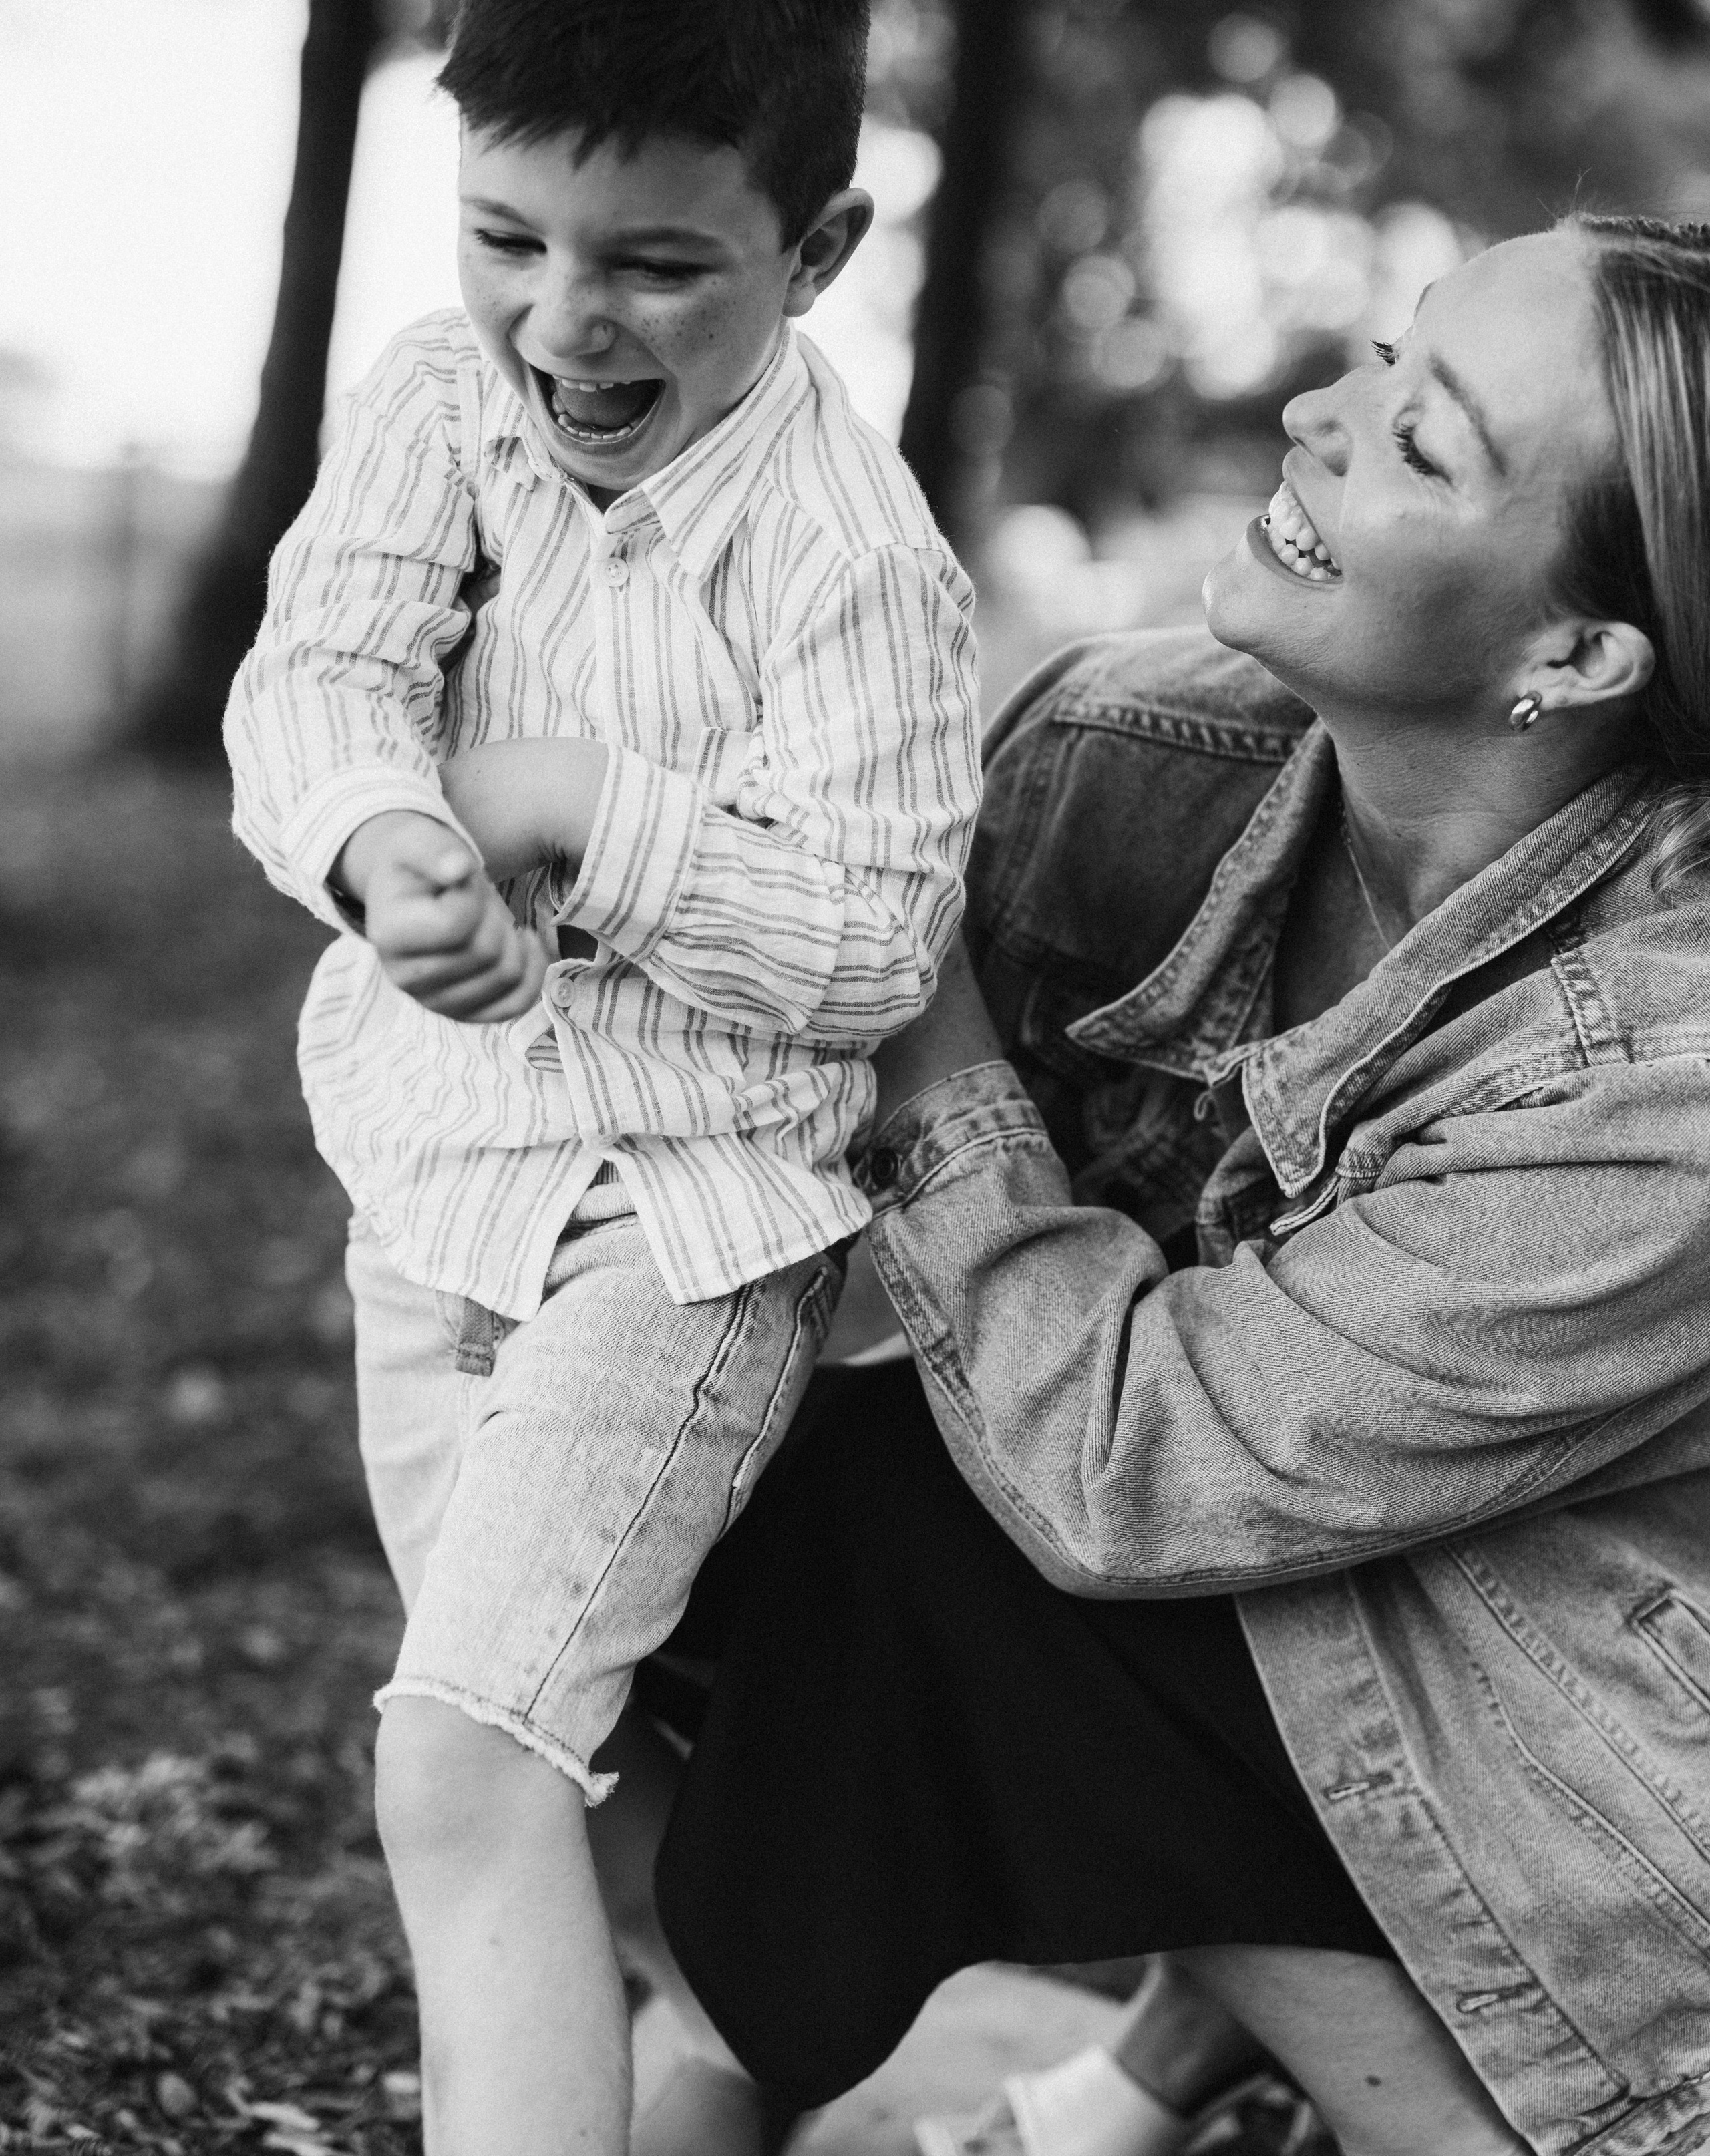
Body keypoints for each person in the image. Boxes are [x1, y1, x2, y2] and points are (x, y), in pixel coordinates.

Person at [603, 217, 1710, 2156]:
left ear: (1582, 653)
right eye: (1383, 353)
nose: (1309, 414)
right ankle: (963, 2067)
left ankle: (1464, 2125)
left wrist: (898, 980)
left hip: (1606, 1770)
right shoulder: (1130, 756)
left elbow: (1136, 1461)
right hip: (1317, 1576)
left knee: (928, 1538)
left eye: (1423, 441)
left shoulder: (1671, 1072)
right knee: (673, 1500)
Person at [222, 0, 982, 2156]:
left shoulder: (852, 556)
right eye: (509, 241)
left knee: (461, 1757)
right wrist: (390, 845)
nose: (567, 322)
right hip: (432, 1212)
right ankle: (714, 2069)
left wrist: (580, 807)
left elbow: (871, 937)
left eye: (659, 265)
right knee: (594, 1756)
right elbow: (317, 669)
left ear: (818, 249)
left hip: (681, 1231)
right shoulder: (441, 401)